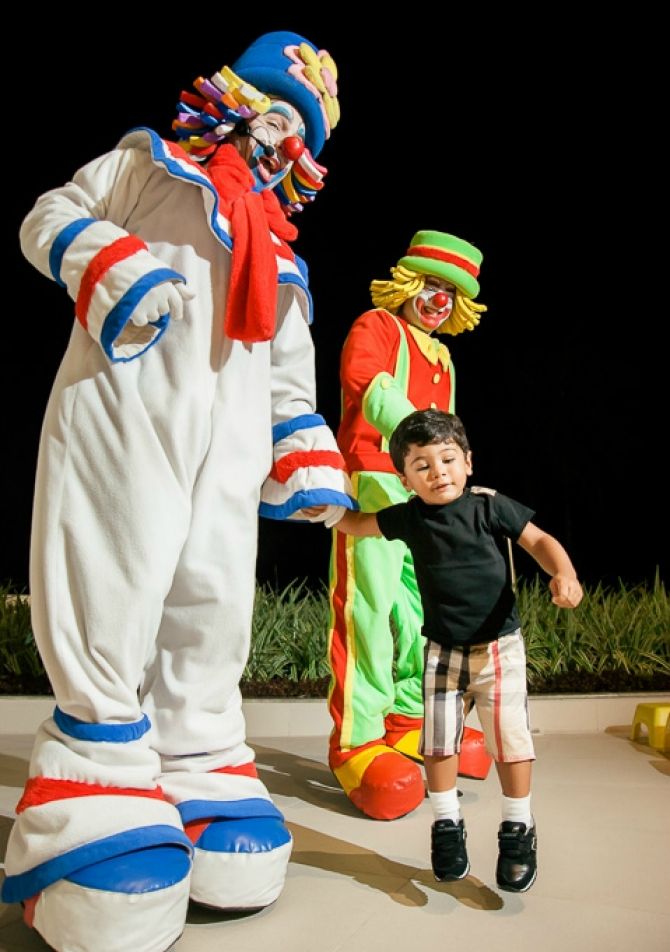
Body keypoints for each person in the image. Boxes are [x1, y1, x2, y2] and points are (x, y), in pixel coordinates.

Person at [1, 31, 354, 952]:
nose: (279, 138)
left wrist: (296, 436)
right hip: (129, 395)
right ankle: (93, 770)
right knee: (116, 557)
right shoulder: (145, 165)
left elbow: (286, 365)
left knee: (215, 586)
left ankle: (197, 749)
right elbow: (51, 213)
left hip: (227, 437)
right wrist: (104, 258)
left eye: (300, 132)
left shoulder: (277, 251)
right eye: (274, 111)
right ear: (235, 99)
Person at [331, 409, 583, 891]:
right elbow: (357, 524)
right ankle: (446, 825)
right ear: (405, 478)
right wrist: (319, 506)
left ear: (468, 462)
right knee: (438, 741)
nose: (437, 472)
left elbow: (540, 540)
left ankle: (518, 826)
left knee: (509, 740)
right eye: (421, 465)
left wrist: (563, 573)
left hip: (498, 648)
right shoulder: (409, 517)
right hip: (442, 652)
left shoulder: (488, 506)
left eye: (447, 459)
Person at [326, 231, 490, 820]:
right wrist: (425, 435)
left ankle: (407, 721)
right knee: (367, 611)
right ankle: (357, 744)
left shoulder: (443, 356)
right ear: (406, 282)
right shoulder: (376, 325)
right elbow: (371, 387)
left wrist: (447, 476)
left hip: (424, 496)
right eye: (431, 285)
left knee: (419, 611)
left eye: (451, 293)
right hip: (373, 482)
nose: (439, 300)